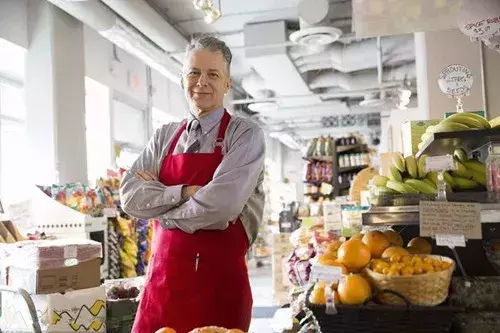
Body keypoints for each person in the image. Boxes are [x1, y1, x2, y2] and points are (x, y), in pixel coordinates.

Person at [119, 35, 265, 333]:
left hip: (218, 287)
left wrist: (161, 209)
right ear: (182, 78)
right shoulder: (163, 136)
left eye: (213, 74)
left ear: (227, 83)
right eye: (194, 72)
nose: (202, 82)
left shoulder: (244, 135)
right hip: (162, 285)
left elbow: (220, 207)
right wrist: (185, 193)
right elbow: (130, 197)